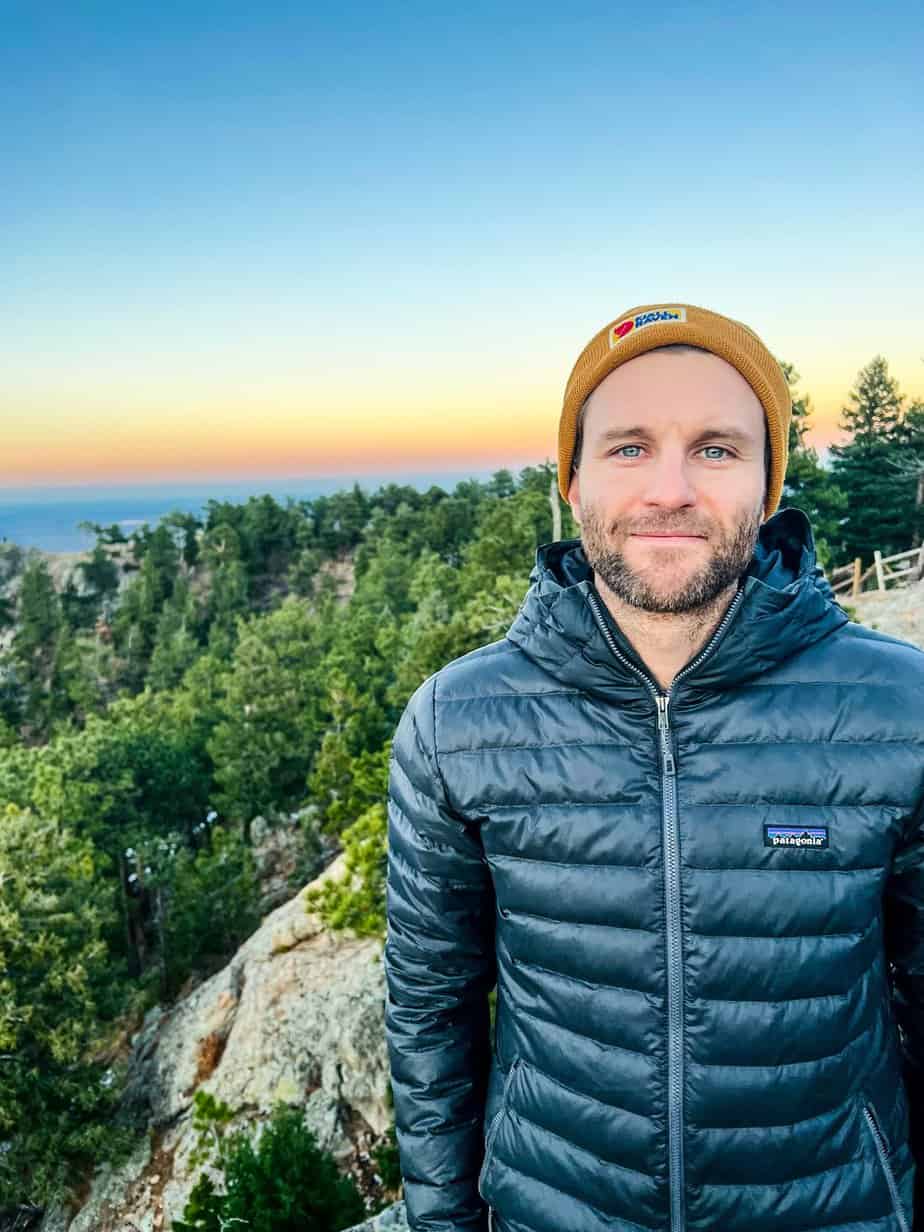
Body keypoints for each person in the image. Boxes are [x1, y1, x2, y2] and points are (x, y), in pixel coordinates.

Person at [383, 302, 924, 1232]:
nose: (669, 488)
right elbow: (430, 1016)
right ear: (572, 479)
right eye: (630, 447)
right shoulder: (454, 723)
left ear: (768, 480)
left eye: (715, 449)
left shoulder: (901, 712)